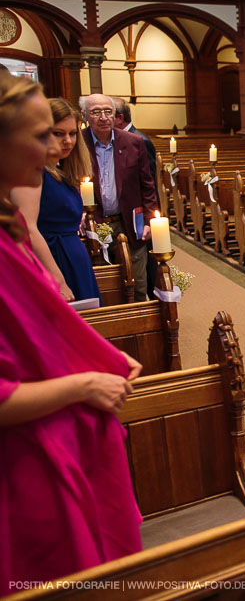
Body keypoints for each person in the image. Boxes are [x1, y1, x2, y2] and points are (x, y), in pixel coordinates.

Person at [0, 72, 142, 590]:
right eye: (39, 136)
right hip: (18, 471)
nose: (50, 152)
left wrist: (91, 354)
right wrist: (84, 384)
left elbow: (36, 332)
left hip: (48, 449)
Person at [10, 98, 100, 303]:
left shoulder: (59, 171)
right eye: (57, 134)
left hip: (72, 258)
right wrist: (57, 280)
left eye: (72, 134)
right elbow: (27, 228)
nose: (67, 141)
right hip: (52, 260)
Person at [80, 94, 158, 300]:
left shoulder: (133, 142)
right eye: (96, 112)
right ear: (85, 115)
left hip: (129, 222)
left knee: (138, 282)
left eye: (108, 111)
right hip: (94, 223)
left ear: (115, 115)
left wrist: (150, 220)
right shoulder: (78, 142)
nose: (103, 117)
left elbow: (147, 185)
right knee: (103, 284)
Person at [113, 97, 156, 178]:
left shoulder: (142, 141)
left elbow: (149, 178)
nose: (105, 119)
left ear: (120, 118)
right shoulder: (115, 137)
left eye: (109, 114)